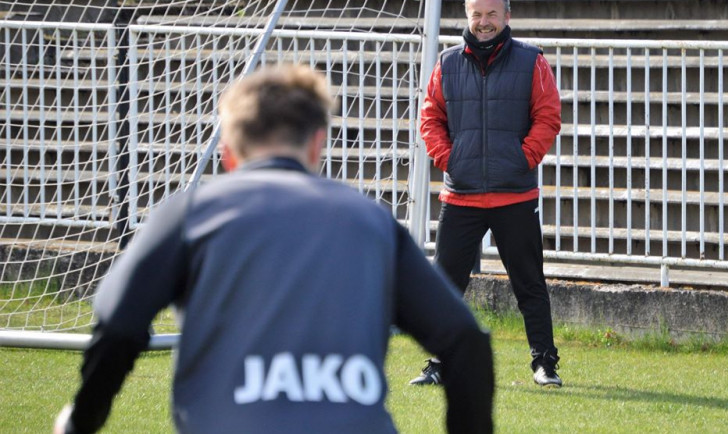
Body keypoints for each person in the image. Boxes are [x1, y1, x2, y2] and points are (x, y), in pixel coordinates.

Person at [53, 65, 494, 433]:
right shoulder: (369, 219)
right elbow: (465, 341)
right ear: (318, 145)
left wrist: (81, 421)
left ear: (227, 153)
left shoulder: (191, 212)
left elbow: (117, 326)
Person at [409, 0, 563, 388]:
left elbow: (548, 116)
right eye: (477, 14)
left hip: (515, 196)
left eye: (492, 14)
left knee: (530, 285)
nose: (484, 22)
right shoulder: (446, 62)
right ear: (467, 16)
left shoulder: (532, 61)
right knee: (444, 287)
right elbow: (430, 118)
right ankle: (439, 364)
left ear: (507, 17)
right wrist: (451, 160)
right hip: (460, 197)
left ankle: (545, 364)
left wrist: (521, 159)